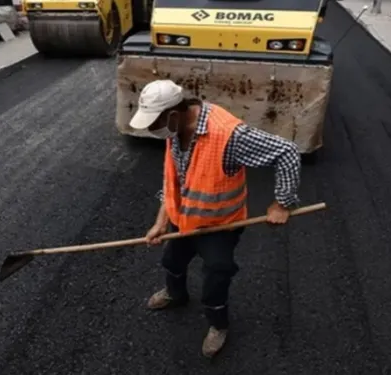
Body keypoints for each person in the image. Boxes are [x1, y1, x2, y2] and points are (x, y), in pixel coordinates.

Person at [128, 79, 302, 358]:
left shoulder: (228, 135)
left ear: (174, 112)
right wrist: (161, 221)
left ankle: (218, 325)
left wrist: (282, 203)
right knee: (172, 260)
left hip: (219, 225)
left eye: (154, 121)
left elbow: (287, 152)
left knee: (216, 275)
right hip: (184, 219)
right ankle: (176, 294)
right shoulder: (175, 130)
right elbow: (176, 179)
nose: (151, 128)